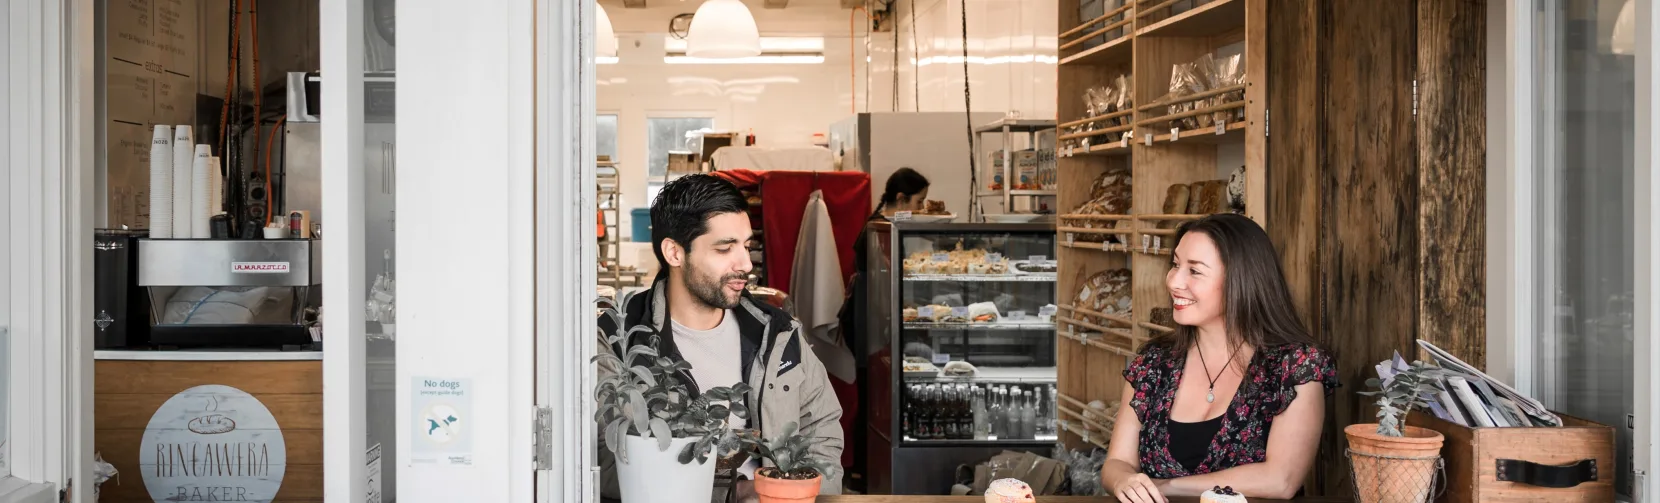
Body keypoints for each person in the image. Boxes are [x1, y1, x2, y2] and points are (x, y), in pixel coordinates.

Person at [597, 174, 845, 501]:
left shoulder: (779, 333)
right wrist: (728, 493)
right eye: (725, 248)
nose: (745, 264)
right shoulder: (617, 340)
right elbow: (600, 458)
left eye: (747, 246)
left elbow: (823, 430)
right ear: (674, 253)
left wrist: (789, 492)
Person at [1101, 214, 1338, 503]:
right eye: (1175, 265)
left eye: (1194, 271)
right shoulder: (1153, 363)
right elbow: (1117, 462)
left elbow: (1281, 480)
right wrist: (1123, 480)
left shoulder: (1295, 366)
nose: (1174, 281)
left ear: (1241, 280)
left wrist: (1165, 486)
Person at [837, 168, 929, 491]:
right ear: (901, 199)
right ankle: (863, 473)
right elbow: (878, 286)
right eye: (919, 202)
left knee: (871, 398)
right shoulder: (876, 231)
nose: (921, 209)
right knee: (870, 399)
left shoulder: (882, 226)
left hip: (872, 324)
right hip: (868, 326)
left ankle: (864, 471)